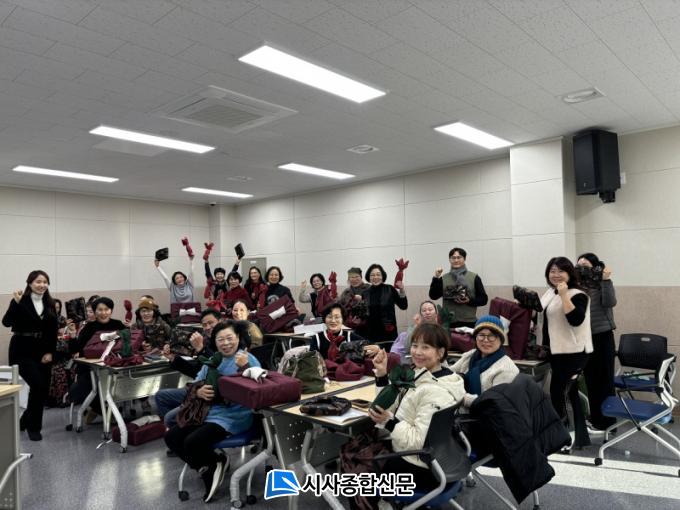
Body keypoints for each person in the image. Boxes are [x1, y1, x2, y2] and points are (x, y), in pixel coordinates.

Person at [365, 323, 465, 506]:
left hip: (418, 465)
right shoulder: (425, 375)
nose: (417, 352)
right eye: (415, 345)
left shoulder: (435, 391)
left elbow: (419, 441)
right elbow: (395, 405)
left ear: (440, 352)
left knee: (355, 465)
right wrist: (381, 374)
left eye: (425, 347)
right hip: (431, 457)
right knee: (358, 451)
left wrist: (389, 422)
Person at [164, 321, 260, 503]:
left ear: (238, 338)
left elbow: (258, 390)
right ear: (214, 342)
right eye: (220, 339)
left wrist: (245, 367)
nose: (226, 343)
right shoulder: (214, 360)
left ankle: (211, 467)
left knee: (193, 442)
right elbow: (195, 383)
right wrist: (199, 391)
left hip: (236, 416)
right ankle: (210, 464)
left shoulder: (247, 358)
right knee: (172, 437)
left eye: (229, 338)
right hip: (208, 413)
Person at [541, 256, 593, 449]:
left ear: (570, 273)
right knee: (569, 394)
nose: (556, 275)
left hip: (574, 352)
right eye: (552, 271)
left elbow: (576, 320)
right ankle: (579, 438)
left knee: (559, 393)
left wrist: (564, 295)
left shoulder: (578, 294)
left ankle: (563, 439)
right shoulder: (550, 293)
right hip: (557, 351)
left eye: (560, 271)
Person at [2, 270, 58, 440]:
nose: (42, 285)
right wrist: (16, 303)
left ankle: (25, 420)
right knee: (37, 385)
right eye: (38, 282)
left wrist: (50, 352)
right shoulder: (21, 300)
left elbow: (53, 331)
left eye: (45, 282)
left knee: (42, 389)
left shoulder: (50, 303)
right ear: (30, 283)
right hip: (21, 349)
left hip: (43, 350)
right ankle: (34, 428)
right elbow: (6, 322)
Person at [157, 309, 222, 430]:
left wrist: (201, 349)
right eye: (204, 325)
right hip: (198, 387)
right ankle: (176, 431)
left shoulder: (223, 342)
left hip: (213, 393)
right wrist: (173, 358)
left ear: (220, 322)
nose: (208, 327)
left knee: (169, 417)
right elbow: (196, 371)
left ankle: (181, 429)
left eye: (211, 323)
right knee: (161, 396)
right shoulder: (207, 342)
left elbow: (220, 366)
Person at [576, 252, 617, 431]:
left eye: (585, 265)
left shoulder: (602, 282)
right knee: (591, 380)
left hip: (602, 337)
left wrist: (606, 280)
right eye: (578, 266)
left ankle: (607, 423)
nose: (581, 269)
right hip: (585, 338)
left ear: (595, 267)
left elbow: (610, 302)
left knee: (605, 381)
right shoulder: (578, 285)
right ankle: (595, 419)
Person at [68, 297, 126, 417]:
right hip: (91, 369)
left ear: (111, 310)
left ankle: (102, 412)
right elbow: (75, 350)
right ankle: (100, 410)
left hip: (114, 366)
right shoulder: (89, 328)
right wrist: (72, 335)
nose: (103, 313)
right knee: (84, 387)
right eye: (100, 310)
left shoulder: (118, 324)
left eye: (106, 309)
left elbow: (128, 344)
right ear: (95, 311)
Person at [452, 315, 519, 409]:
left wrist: (460, 397)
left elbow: (494, 403)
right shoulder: (471, 355)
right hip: (461, 412)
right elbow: (449, 373)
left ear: (500, 340)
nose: (486, 340)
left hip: (486, 416)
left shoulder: (507, 369)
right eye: (481, 335)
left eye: (492, 336)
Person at [429, 247, 488, 328]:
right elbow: (433, 296)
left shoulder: (474, 277)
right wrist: (436, 277)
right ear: (449, 260)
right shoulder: (444, 278)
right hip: (448, 322)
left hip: (469, 322)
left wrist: (469, 301)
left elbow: (484, 299)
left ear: (464, 259)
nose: (456, 260)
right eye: (453, 258)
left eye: (459, 257)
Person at [358, 263, 407, 343]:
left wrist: (401, 290)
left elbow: (403, 306)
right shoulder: (365, 293)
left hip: (389, 333)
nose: (375, 277)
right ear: (369, 277)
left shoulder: (390, 289)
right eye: (372, 275)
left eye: (378, 274)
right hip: (371, 334)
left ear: (382, 276)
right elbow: (363, 315)